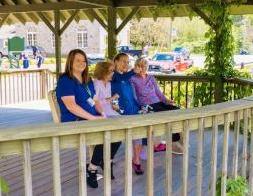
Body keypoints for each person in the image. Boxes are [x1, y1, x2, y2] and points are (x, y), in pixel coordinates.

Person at [56, 49, 121, 188]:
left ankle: (103, 160)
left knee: (118, 132)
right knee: (105, 133)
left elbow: (95, 100)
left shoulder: (87, 79)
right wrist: (92, 118)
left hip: (90, 118)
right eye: (78, 60)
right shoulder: (66, 80)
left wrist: (102, 114)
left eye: (84, 60)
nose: (82, 63)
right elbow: (71, 106)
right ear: (70, 62)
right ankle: (92, 169)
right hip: (74, 120)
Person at [130, 57, 183, 154]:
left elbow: (158, 93)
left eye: (146, 65)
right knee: (165, 115)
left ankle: (174, 141)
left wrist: (167, 100)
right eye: (142, 66)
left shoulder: (151, 77)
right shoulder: (133, 79)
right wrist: (139, 106)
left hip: (158, 102)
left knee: (177, 110)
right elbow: (134, 97)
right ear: (138, 67)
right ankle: (169, 144)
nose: (145, 68)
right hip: (147, 105)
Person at [112, 52, 145, 174]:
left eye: (127, 62)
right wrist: (132, 71)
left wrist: (139, 105)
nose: (126, 64)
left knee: (139, 132)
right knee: (129, 134)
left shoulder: (126, 77)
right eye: (123, 61)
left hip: (132, 109)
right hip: (119, 112)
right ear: (116, 61)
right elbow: (119, 79)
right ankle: (107, 158)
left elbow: (131, 95)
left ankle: (136, 160)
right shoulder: (113, 75)